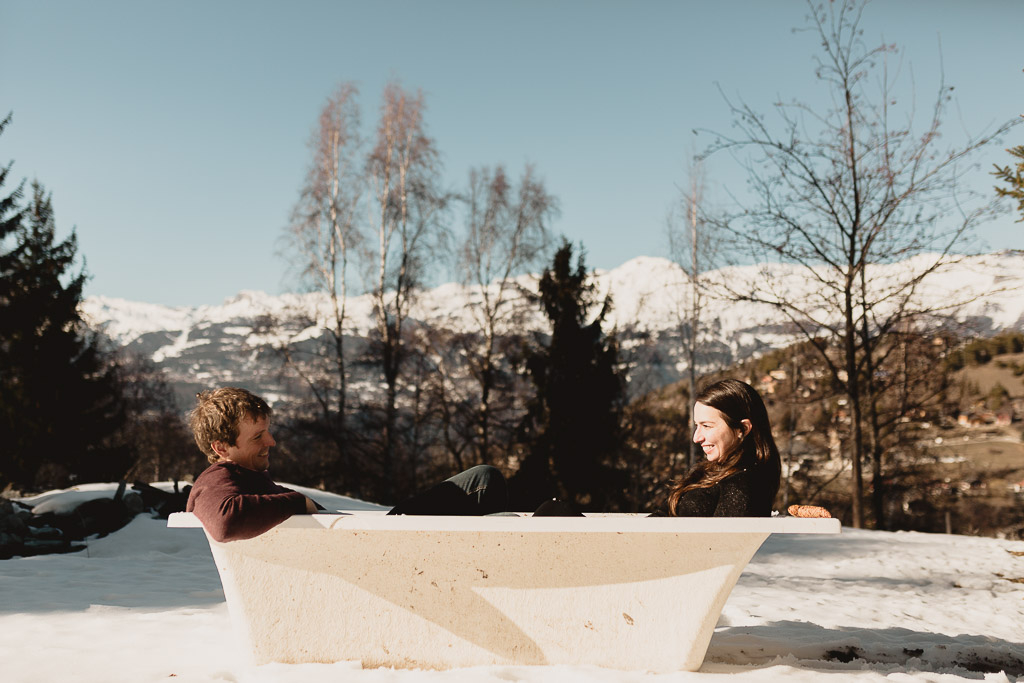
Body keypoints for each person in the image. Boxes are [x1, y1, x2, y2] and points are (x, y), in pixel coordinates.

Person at [186, 387, 508, 542]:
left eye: (269, 431)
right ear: (221, 447)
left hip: (367, 543)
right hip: (373, 550)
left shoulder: (243, 477)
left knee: (484, 480)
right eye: (258, 437)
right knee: (484, 482)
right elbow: (226, 523)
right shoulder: (215, 480)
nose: (271, 442)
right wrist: (300, 501)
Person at [665, 378, 781, 517]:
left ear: (742, 429)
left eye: (707, 426)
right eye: (697, 426)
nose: (696, 438)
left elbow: (726, 538)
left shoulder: (743, 485)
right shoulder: (713, 471)